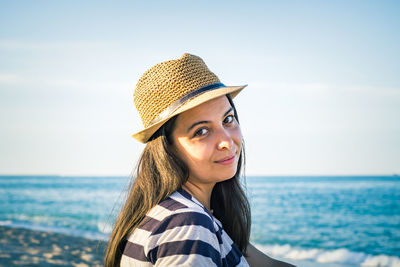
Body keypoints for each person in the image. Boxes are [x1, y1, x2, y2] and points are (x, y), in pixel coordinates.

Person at [105, 53, 295, 267]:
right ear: (168, 149)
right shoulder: (188, 226)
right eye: (202, 131)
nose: (226, 141)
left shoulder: (186, 214)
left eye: (228, 119)